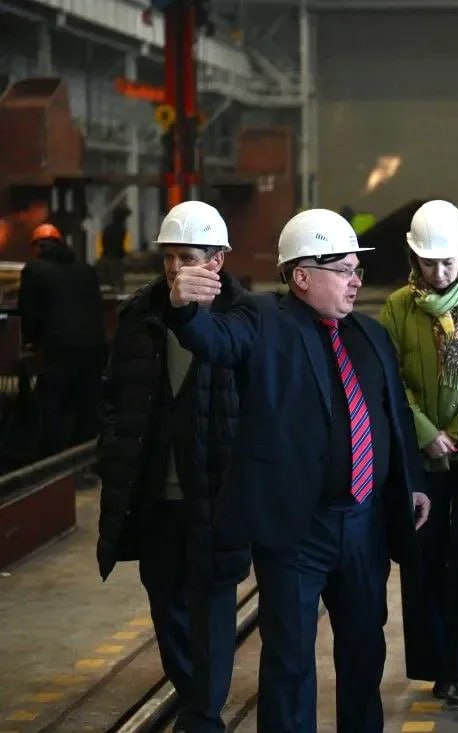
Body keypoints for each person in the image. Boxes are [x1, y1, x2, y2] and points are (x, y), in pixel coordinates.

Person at [165, 208, 431, 733]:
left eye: (357, 269)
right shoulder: (263, 320)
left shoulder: (370, 334)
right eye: (344, 269)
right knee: (289, 660)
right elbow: (214, 340)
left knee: (364, 650)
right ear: (302, 276)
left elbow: (393, 415)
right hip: (296, 530)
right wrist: (185, 310)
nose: (356, 280)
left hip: (364, 525)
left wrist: (413, 483)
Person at [96, 201, 245, 732]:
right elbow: (115, 393)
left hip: (215, 494)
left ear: (217, 260)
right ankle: (192, 692)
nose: (175, 269)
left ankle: (203, 715)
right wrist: (114, 452)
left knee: (212, 607)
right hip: (156, 495)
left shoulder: (244, 318)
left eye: (188, 257)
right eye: (168, 257)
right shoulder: (141, 315)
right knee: (166, 603)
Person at [378, 200, 458, 707]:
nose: (439, 272)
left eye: (448, 262)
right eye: (429, 263)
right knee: (423, 555)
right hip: (421, 456)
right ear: (414, 258)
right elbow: (391, 381)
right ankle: (432, 662)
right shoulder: (397, 308)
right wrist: (425, 430)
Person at [17, 223, 107, 459]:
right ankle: (85, 460)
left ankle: (52, 462)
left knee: (52, 405)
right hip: (95, 346)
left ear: (38, 247)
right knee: (86, 406)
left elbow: (29, 310)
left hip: (59, 348)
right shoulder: (86, 269)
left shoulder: (34, 270)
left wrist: (30, 341)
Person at [98, 204, 130, 292]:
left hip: (105, 258)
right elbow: (120, 246)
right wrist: (125, 254)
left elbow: (104, 243)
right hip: (116, 260)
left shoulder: (107, 229)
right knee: (118, 287)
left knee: (107, 286)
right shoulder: (121, 230)